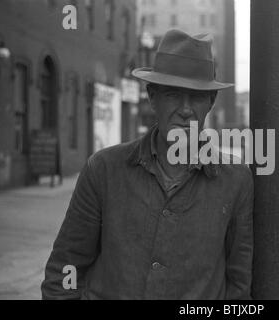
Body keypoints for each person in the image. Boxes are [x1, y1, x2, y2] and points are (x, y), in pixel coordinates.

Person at [41, 29, 254, 300]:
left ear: (211, 103)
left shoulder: (235, 181)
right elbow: (66, 269)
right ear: (152, 97)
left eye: (197, 96)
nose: (186, 109)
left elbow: (239, 286)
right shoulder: (104, 170)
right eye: (173, 95)